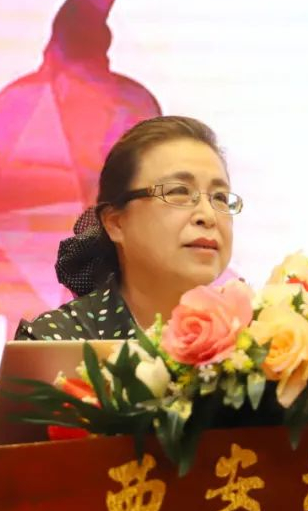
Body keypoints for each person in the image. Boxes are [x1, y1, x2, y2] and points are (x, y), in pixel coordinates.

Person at [14, 115, 243, 341]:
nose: (208, 216)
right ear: (116, 223)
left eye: (220, 197)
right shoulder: (53, 343)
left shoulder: (253, 338)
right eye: (178, 191)